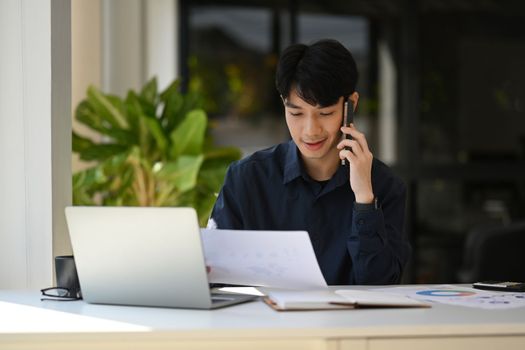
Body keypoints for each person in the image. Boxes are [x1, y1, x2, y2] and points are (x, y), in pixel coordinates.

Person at [207, 39, 411, 285]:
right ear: (284, 105)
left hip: (350, 323)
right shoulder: (247, 179)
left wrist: (365, 200)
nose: (310, 130)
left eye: (325, 113)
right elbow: (217, 279)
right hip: (267, 321)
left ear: (350, 105)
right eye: (296, 114)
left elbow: (382, 287)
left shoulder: (385, 186)